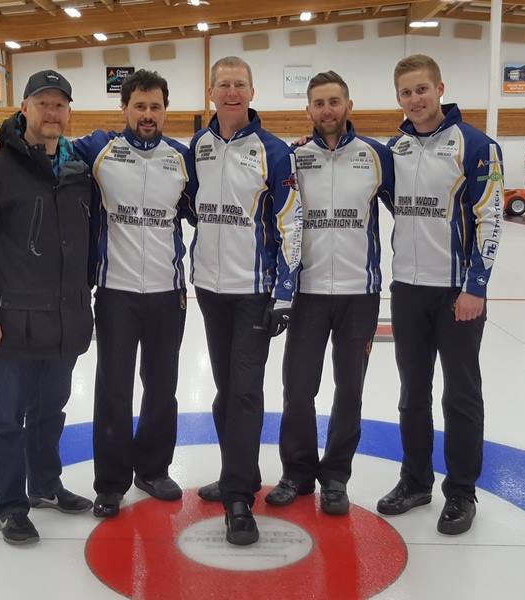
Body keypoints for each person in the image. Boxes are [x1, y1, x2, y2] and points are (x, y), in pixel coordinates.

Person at [0, 70, 194, 520]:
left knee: (162, 388)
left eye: (155, 107)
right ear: (124, 109)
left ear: (165, 111)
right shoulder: (96, 150)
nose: (147, 115)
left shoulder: (183, 158)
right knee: (112, 391)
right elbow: (27, 143)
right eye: (139, 106)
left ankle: (153, 469)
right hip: (115, 292)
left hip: (168, 295)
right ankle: (110, 483)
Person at [0, 69, 94, 545]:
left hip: (63, 320)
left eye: (60, 105)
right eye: (43, 103)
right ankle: (10, 504)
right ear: (24, 107)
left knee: (51, 409)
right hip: (11, 323)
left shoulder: (77, 171)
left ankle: (45, 486)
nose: (52, 113)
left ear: (68, 112)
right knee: (8, 417)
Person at [376, 54, 503, 535]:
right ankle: (415, 481)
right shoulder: (395, 148)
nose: (415, 99)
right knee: (412, 394)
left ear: (440, 87)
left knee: (462, 394)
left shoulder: (476, 145)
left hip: (457, 295)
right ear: (399, 98)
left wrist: (476, 286)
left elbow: (491, 219)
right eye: (406, 92)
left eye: (422, 89)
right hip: (407, 289)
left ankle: (462, 492)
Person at [264, 71, 393, 516]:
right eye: (319, 103)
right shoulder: (295, 158)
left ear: (348, 105)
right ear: (308, 110)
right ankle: (297, 473)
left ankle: (335, 476)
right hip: (308, 292)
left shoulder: (377, 156)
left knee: (350, 389)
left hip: (361, 292)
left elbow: (413, 212)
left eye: (334, 101)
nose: (327, 110)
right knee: (298, 387)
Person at [188, 56, 303, 545]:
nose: (231, 92)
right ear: (212, 92)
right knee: (223, 389)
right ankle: (239, 471)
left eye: (239, 84)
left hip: (254, 293)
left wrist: (284, 292)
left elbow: (291, 223)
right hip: (210, 291)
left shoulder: (274, 152)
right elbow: (190, 205)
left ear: (252, 92)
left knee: (244, 391)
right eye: (223, 84)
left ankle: (239, 499)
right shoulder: (197, 147)